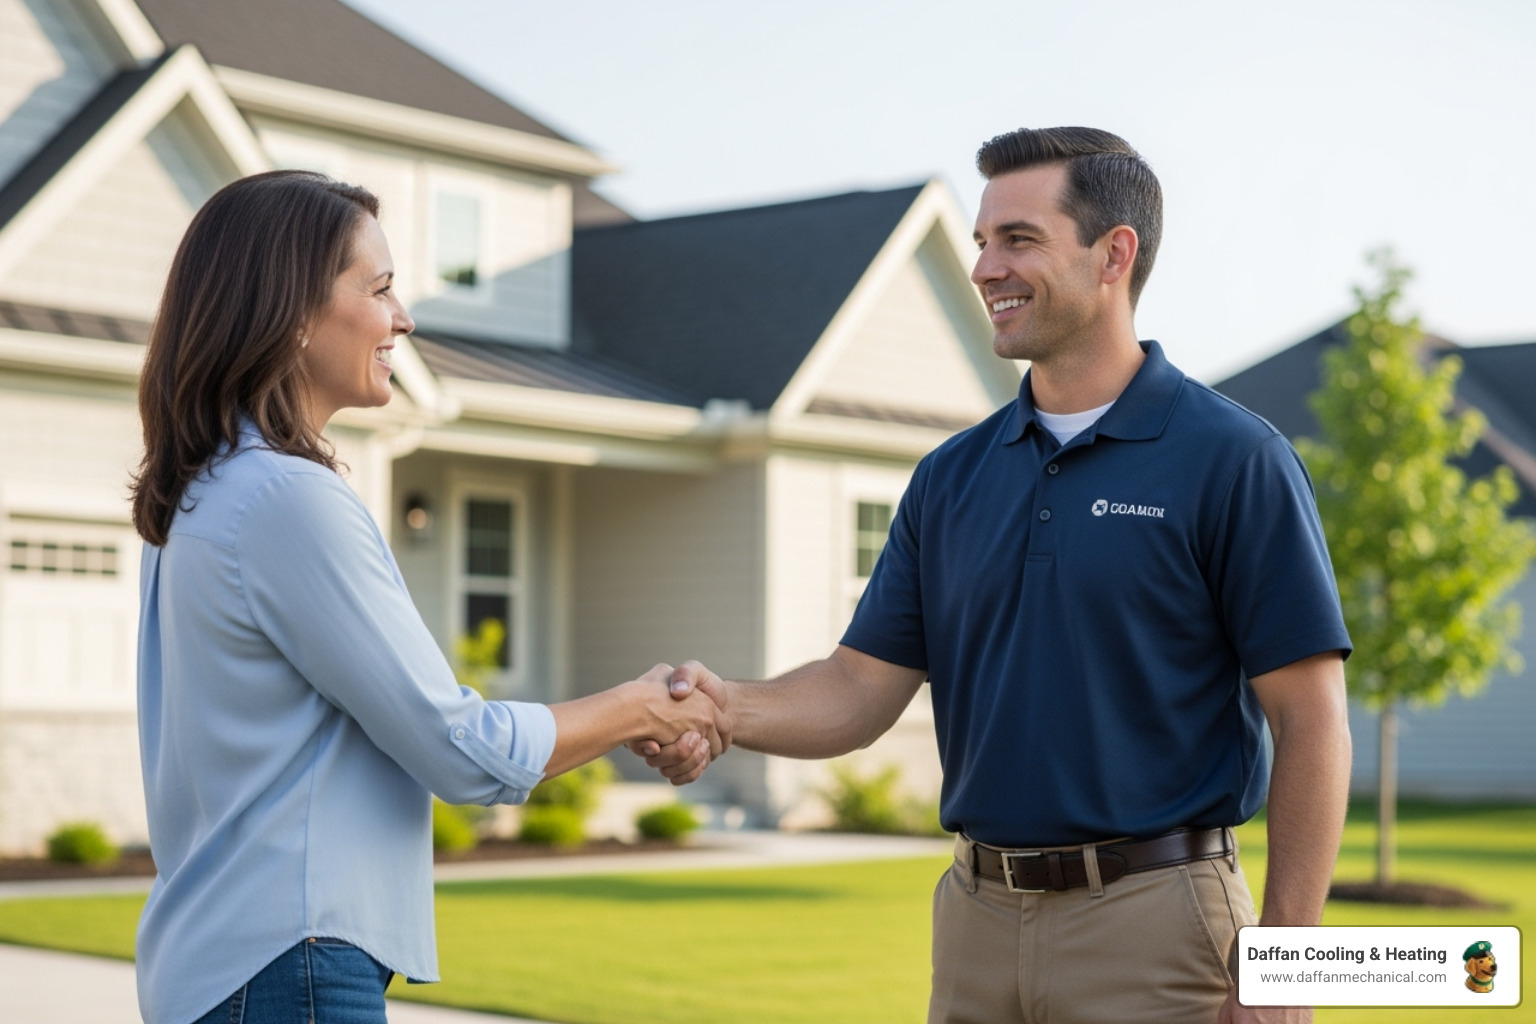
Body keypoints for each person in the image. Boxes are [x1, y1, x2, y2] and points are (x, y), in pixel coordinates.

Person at [640, 127, 1352, 1024]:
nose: (984, 268)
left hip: (1158, 926)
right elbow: (859, 689)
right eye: (981, 242)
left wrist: (1285, 963)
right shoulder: (951, 476)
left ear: (1113, 255)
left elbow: (1311, 717)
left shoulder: (1234, 459)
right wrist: (724, 708)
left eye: (1017, 239)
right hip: (975, 923)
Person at [130, 170, 722, 1024]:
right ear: (292, 313)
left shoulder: (200, 494)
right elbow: (457, 747)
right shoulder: (285, 499)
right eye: (379, 289)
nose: (404, 318)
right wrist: (639, 708)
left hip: (224, 966)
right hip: (286, 967)